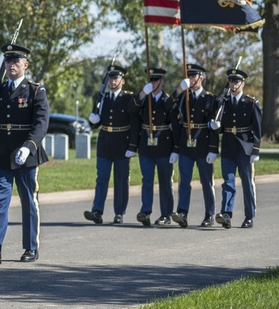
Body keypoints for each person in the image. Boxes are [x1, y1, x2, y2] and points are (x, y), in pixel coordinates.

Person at [0, 43, 49, 265]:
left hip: (25, 152)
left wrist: (28, 146)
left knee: (28, 201)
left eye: (15, 62)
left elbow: (41, 123)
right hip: (1, 151)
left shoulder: (35, 90)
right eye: (8, 62)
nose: (11, 65)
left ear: (25, 64)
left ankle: (31, 247)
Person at [83, 65, 137, 225]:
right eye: (110, 79)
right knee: (102, 179)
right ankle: (97, 211)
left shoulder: (128, 98)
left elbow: (134, 123)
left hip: (122, 142)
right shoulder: (102, 98)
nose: (112, 82)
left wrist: (132, 146)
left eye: (116, 78)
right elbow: (96, 122)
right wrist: (92, 120)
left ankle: (119, 212)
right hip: (105, 142)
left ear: (122, 81)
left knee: (121, 180)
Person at [170, 64, 219, 228]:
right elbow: (168, 108)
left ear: (201, 78)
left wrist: (213, 149)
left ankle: (209, 214)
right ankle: (182, 213)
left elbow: (213, 127)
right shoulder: (183, 96)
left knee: (207, 182)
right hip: (185, 145)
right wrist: (178, 90)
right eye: (189, 77)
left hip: (203, 145)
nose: (191, 80)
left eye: (193, 77)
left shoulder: (211, 99)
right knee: (184, 181)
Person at [213, 67, 261, 229]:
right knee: (228, 182)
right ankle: (226, 214)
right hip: (228, 146)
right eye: (231, 81)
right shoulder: (224, 102)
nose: (233, 84)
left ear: (243, 84)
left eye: (236, 81)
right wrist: (216, 126)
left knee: (247, 182)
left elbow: (257, 128)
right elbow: (218, 116)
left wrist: (256, 149)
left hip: (245, 146)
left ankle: (249, 216)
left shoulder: (250, 103)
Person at [132, 68, 176, 226]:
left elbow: (175, 123)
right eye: (151, 80)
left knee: (165, 181)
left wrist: (175, 149)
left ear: (162, 82)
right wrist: (143, 93)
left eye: (156, 80)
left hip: (164, 145)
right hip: (146, 145)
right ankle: (145, 211)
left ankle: (166, 214)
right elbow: (132, 109)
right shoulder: (144, 98)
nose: (153, 82)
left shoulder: (168, 100)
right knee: (147, 180)